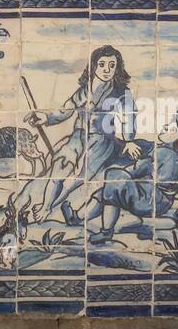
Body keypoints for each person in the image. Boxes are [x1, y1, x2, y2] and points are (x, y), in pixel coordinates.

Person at [25, 45, 143, 220]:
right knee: (60, 166)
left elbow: (129, 117)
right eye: (102, 64)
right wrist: (46, 117)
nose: (107, 70)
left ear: (118, 68)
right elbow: (66, 109)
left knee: (78, 176)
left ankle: (49, 208)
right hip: (77, 137)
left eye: (112, 65)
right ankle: (45, 205)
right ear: (93, 66)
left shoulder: (122, 92)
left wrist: (129, 140)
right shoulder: (84, 91)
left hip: (102, 140)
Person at [87, 111, 178, 243]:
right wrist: (130, 144)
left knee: (114, 178)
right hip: (165, 201)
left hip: (147, 200)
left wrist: (125, 163)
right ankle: (78, 218)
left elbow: (135, 171)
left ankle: (106, 232)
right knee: (106, 192)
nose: (165, 126)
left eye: (171, 127)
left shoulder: (163, 153)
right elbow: (147, 145)